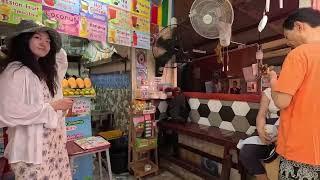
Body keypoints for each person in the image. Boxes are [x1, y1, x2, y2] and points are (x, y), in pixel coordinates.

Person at [0, 20, 74, 180]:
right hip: (32, 153)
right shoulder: (15, 71)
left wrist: (60, 109)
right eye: (37, 37)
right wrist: (52, 107)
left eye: (48, 40)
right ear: (24, 40)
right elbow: (8, 113)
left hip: (54, 147)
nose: (44, 43)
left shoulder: (44, 71)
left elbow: (62, 59)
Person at [268, 8, 320, 179]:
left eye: (288, 38)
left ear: (299, 27)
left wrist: (274, 82)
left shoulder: (299, 54)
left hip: (301, 152)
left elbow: (281, 101)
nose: (289, 43)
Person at [238, 87, 279, 180]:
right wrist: (260, 131)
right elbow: (261, 114)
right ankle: (262, 177)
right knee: (247, 152)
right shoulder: (269, 91)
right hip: (269, 129)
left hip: (290, 131)